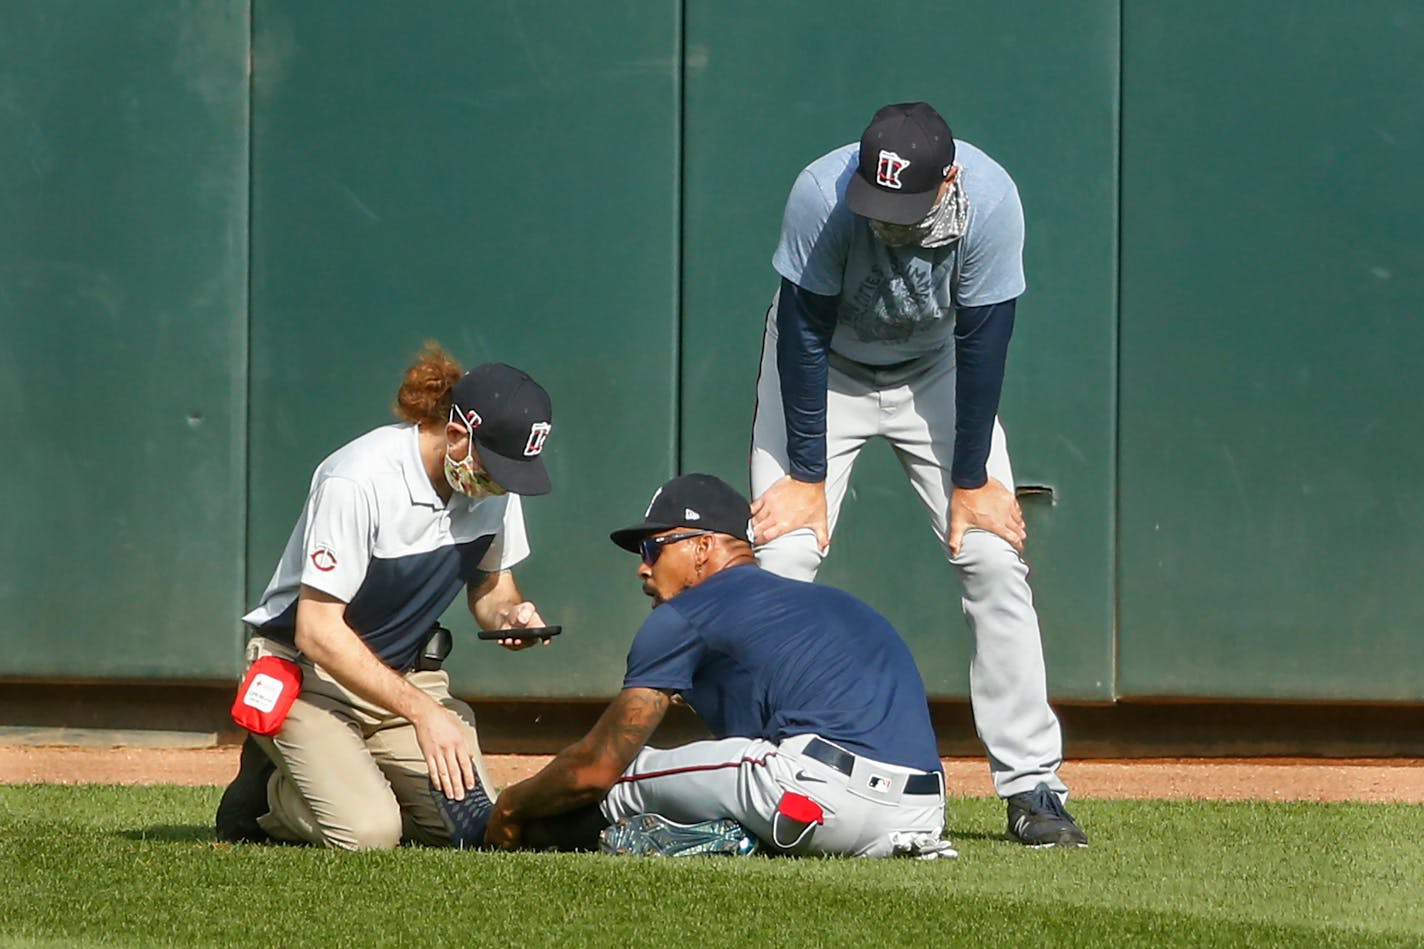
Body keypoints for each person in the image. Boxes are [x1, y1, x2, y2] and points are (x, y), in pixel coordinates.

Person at [749, 101, 1086, 846]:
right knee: (782, 555)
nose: (886, 217)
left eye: (905, 202)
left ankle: (1033, 783)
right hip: (825, 369)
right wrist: (805, 474)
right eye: (878, 198)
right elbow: (801, 332)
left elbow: (985, 340)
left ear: (951, 178)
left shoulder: (991, 202)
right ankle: (762, 769)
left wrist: (972, 480)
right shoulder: (822, 192)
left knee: (993, 556)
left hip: (936, 370)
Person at [482, 473, 955, 859]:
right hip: (919, 819)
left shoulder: (686, 614)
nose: (642, 569)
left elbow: (595, 768)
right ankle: (724, 834)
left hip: (814, 798)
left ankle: (520, 837)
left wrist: (510, 806)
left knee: (629, 776)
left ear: (703, 547)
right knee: (725, 765)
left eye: (653, 549)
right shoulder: (830, 604)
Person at [214, 342, 556, 850]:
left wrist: (511, 614)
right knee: (370, 833)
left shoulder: (492, 488)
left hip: (399, 677)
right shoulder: (358, 477)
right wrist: (424, 712)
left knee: (469, 831)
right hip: (307, 675)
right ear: (458, 435)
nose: (503, 484)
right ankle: (265, 796)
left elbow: (491, 586)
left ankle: (346, 772)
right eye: (498, 467)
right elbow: (318, 631)